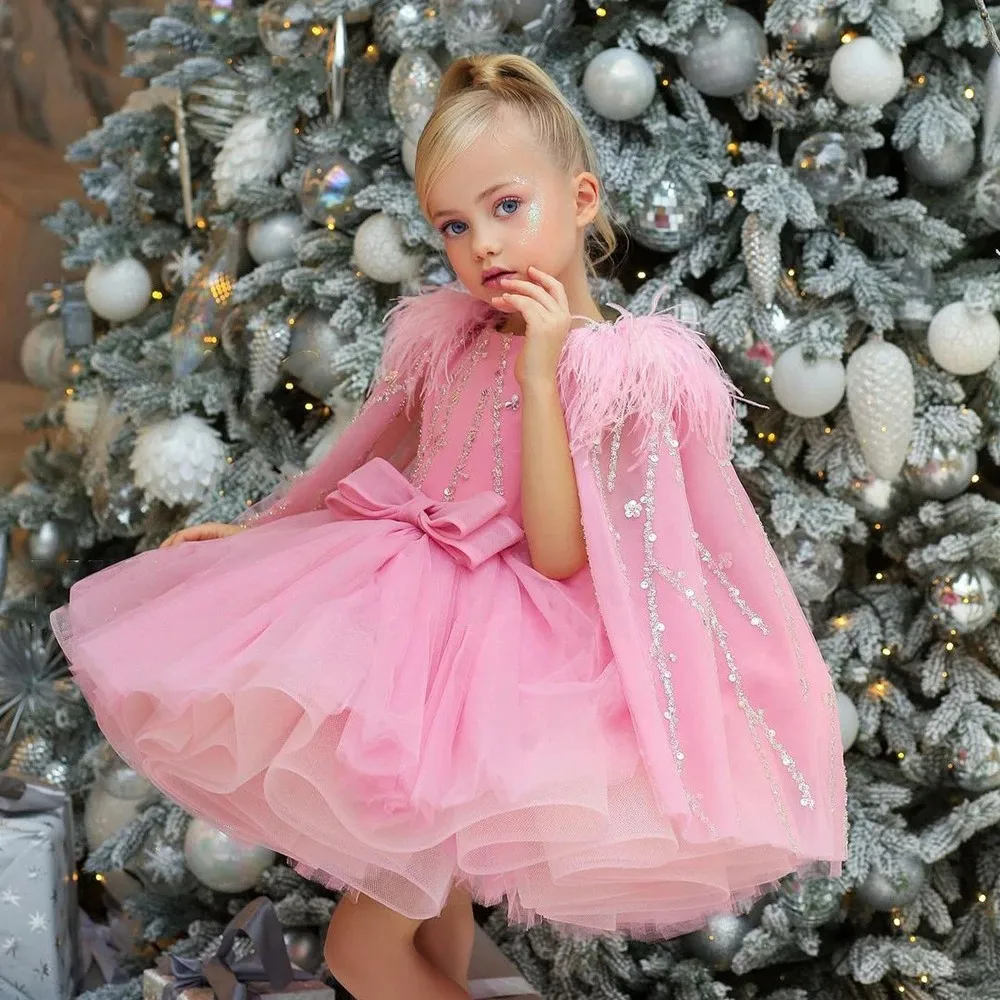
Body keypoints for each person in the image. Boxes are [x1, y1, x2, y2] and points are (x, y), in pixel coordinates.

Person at [51, 54, 847, 1000]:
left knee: (361, 948)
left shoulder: (622, 369)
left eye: (507, 207)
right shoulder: (449, 334)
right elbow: (365, 458)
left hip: (511, 669)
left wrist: (545, 371)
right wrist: (262, 535)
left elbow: (558, 554)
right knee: (433, 941)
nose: (482, 246)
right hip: (403, 633)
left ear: (582, 197)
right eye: (455, 226)